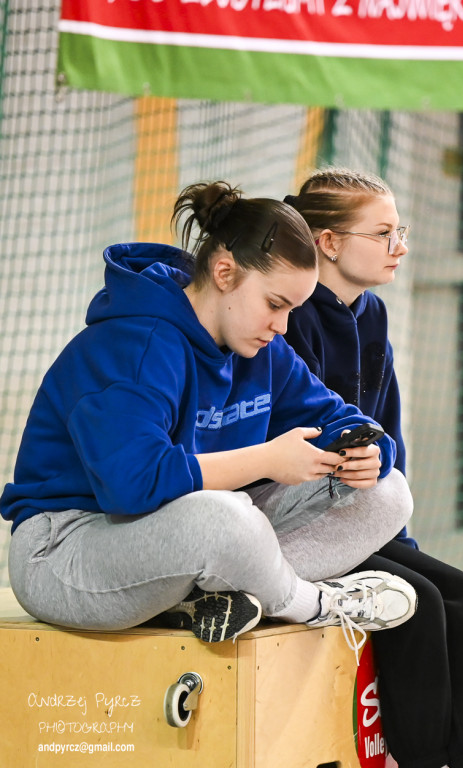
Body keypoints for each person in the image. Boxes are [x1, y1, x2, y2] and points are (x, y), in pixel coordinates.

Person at [1, 180, 417, 652]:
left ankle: (227, 595)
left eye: (292, 310)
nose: (282, 327)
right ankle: (315, 604)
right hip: (65, 549)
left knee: (388, 492)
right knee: (224, 516)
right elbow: (131, 487)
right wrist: (265, 461)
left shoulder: (264, 349)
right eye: (275, 305)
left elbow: (337, 416)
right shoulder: (137, 343)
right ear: (224, 272)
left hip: (182, 537)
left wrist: (367, 450)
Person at [283, 168, 463, 768]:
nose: (399, 247)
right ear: (328, 242)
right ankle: (423, 757)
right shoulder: (291, 318)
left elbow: (388, 432)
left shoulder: (372, 314)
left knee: (456, 588)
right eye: (382, 234)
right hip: (297, 522)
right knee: (415, 599)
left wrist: (396, 534)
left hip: (362, 516)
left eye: (398, 230)